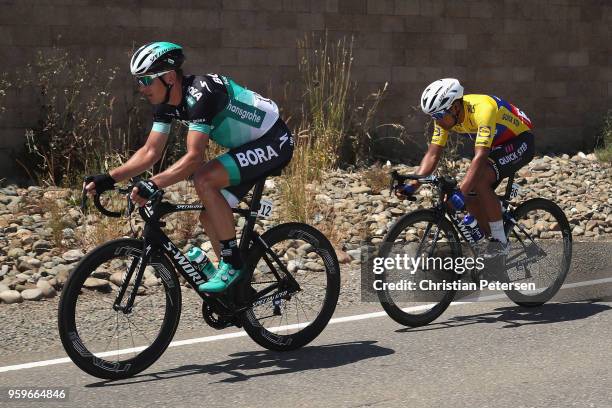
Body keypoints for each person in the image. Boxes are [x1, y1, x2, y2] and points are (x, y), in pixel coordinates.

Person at [84, 42, 294, 293]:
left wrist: (152, 184)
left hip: (273, 141)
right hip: (248, 147)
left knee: (204, 179)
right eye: (139, 81)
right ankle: (238, 289)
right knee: (210, 216)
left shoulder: (201, 95)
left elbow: (194, 159)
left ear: (170, 77)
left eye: (147, 80)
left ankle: (232, 264)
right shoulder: (166, 102)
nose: (142, 88)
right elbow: (151, 152)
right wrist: (109, 178)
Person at [397, 78, 535, 259]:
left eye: (438, 116)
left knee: (478, 180)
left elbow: (480, 156)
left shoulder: (484, 109)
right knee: (469, 197)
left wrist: (461, 191)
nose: (436, 121)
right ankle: (491, 241)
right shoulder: (445, 118)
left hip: (519, 140)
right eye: (432, 117)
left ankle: (501, 243)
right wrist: (413, 184)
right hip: (496, 143)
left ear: (454, 107)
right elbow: (432, 154)